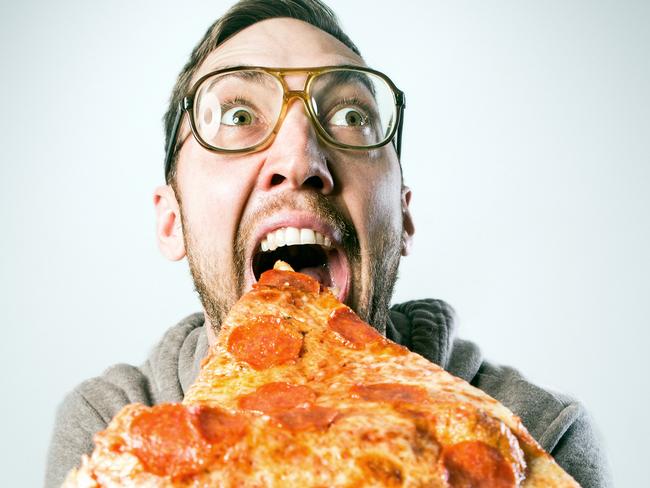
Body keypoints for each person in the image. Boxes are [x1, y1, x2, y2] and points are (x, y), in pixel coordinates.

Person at [45, 1, 612, 487]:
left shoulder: (534, 434)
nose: (299, 159)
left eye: (348, 115)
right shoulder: (112, 429)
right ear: (173, 222)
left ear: (404, 218)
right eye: (238, 114)